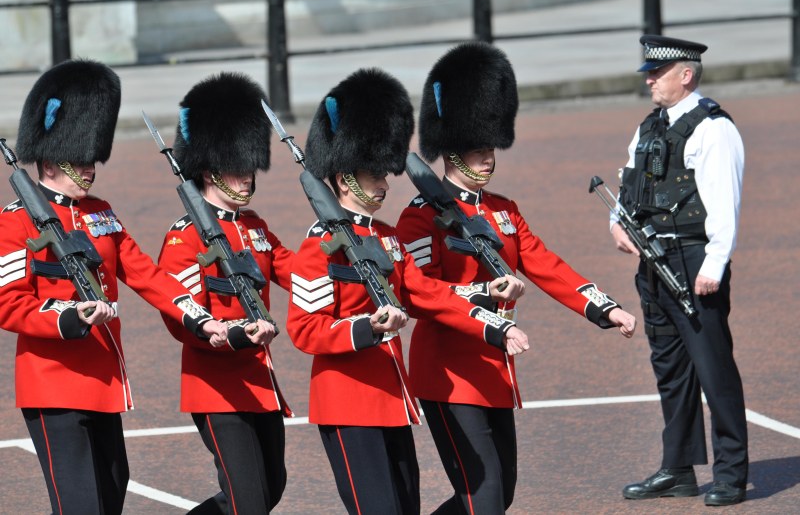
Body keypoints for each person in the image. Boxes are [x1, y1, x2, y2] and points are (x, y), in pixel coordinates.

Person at [395, 41, 637, 514]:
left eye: (490, 148)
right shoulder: (419, 218)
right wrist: (483, 296)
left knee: (497, 495)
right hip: (448, 373)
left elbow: (545, 263)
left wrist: (603, 306)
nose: (488, 157)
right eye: (477, 149)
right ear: (452, 151)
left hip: (495, 369)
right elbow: (420, 295)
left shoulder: (503, 211)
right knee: (483, 498)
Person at [285, 67, 531, 515]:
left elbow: (424, 291)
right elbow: (304, 330)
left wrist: (486, 314)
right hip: (346, 402)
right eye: (374, 176)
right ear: (344, 180)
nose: (384, 184)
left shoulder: (386, 237)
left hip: (392, 401)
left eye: (384, 174)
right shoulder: (318, 245)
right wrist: (365, 328)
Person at [0, 59, 228, 515]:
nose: (90, 170)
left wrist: (197, 315)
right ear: (49, 160)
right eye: (79, 162)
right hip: (53, 383)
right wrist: (66, 318)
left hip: (102, 381)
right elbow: (8, 303)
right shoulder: (15, 221)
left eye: (91, 159)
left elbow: (146, 273)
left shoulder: (101, 212)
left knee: (110, 494)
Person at [611, 35, 747, 506]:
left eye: (657, 72)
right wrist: (616, 224)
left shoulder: (713, 129)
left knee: (714, 369)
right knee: (670, 371)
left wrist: (714, 263)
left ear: (685, 75)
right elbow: (630, 182)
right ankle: (679, 469)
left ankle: (731, 472)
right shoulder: (650, 126)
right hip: (653, 261)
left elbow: (723, 201)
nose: (649, 78)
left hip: (693, 263)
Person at [156, 71, 295, 514]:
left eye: (248, 166)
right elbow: (182, 312)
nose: (245, 177)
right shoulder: (185, 237)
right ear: (210, 169)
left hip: (258, 379)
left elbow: (294, 269)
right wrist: (231, 333)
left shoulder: (253, 226)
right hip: (215, 383)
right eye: (235, 168)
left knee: (271, 489)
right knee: (248, 501)